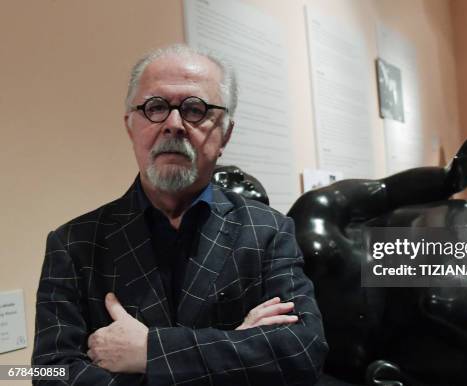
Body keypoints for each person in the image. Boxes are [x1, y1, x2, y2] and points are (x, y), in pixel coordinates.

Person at [31, 44, 327, 385]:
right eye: (155, 107)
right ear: (130, 126)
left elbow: (302, 353)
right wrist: (237, 348)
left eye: (195, 109)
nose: (173, 124)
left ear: (225, 133)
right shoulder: (72, 244)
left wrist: (149, 351)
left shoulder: (268, 231)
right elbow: (45, 373)